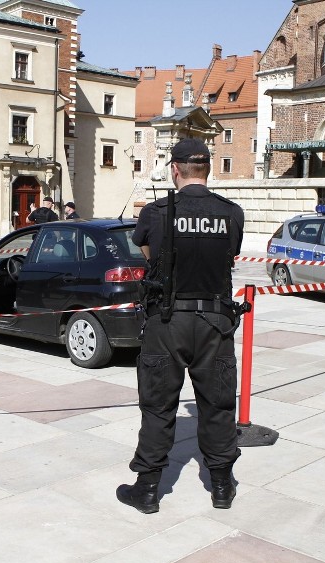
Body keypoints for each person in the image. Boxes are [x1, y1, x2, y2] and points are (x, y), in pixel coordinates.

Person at [117, 138, 244, 514]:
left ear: (175, 169)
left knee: (158, 407)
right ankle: (222, 487)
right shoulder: (231, 212)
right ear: (206, 169)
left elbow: (147, 255)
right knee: (218, 406)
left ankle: (148, 490)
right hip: (215, 323)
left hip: (167, 321)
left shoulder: (155, 213)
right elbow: (230, 255)